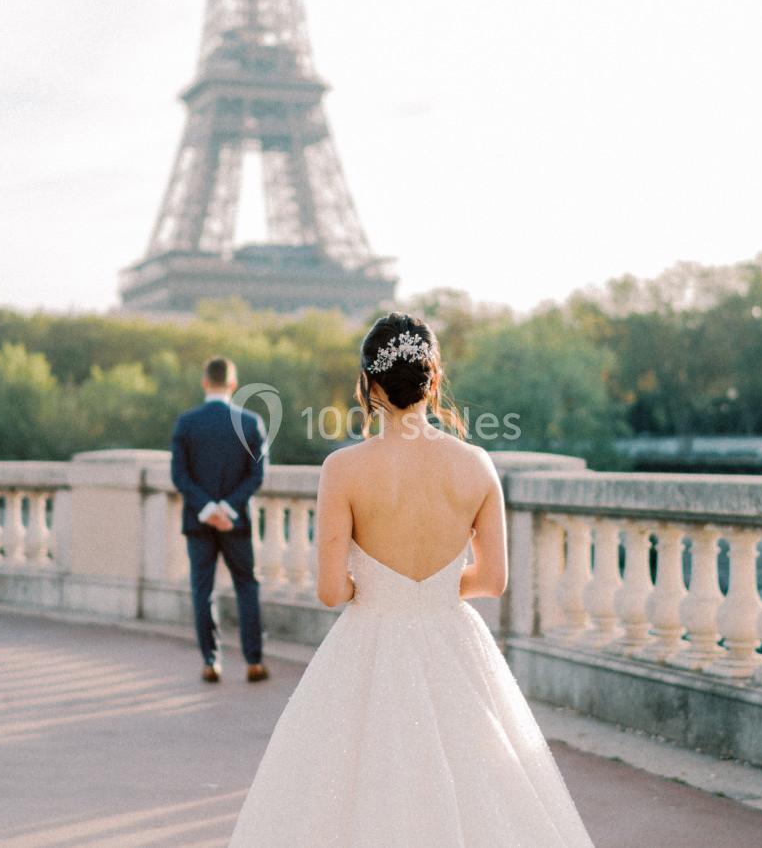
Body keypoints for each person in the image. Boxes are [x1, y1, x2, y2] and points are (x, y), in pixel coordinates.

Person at [228, 314, 595, 846]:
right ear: (435, 380)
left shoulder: (343, 469)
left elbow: (332, 590)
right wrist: (431, 591)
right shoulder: (477, 464)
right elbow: (493, 579)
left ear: (369, 387)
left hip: (370, 642)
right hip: (454, 642)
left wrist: (384, 590)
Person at [170, 356, 269, 684]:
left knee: (203, 589)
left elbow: (180, 476)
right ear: (233, 385)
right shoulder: (251, 422)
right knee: (246, 586)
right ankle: (254, 661)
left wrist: (207, 509)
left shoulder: (186, 423)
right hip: (236, 522)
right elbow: (257, 475)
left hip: (198, 522)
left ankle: (211, 661)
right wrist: (227, 508)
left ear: (204, 382)